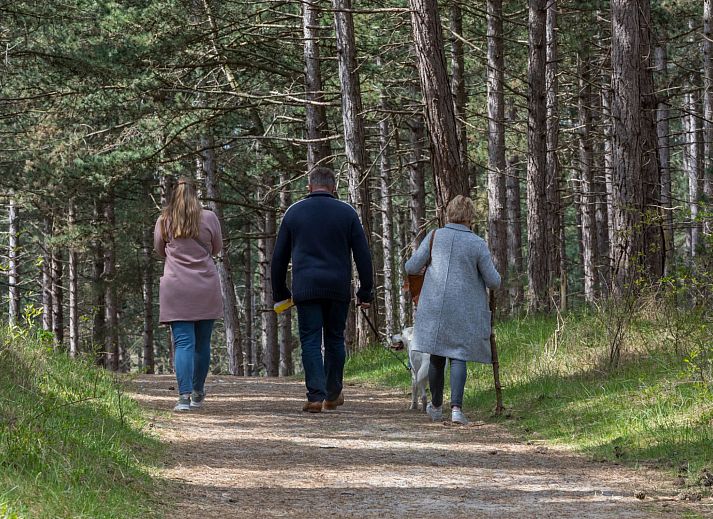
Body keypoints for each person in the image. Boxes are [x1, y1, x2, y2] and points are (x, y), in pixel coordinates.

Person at [271, 166, 373, 413]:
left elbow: (278, 258)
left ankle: (315, 396)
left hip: (306, 288)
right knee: (335, 339)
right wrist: (365, 291)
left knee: (310, 340)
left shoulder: (294, 212)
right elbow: (363, 254)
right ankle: (332, 394)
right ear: (333, 187)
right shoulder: (346, 212)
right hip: (338, 287)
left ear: (309, 187)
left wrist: (280, 293)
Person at [405, 195, 501, 425]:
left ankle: (436, 407)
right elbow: (493, 281)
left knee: (437, 355)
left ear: (449, 213)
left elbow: (411, 266)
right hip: (464, 309)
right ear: (470, 217)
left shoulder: (434, 236)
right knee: (459, 356)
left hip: (434, 308)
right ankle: (457, 409)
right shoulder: (477, 243)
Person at [154, 178, 224, 412]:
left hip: (176, 288)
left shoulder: (165, 220)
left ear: (174, 195)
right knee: (202, 344)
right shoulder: (209, 218)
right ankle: (197, 392)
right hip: (205, 285)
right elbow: (216, 248)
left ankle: (183, 397)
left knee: (183, 343)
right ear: (196, 195)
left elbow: (158, 249)